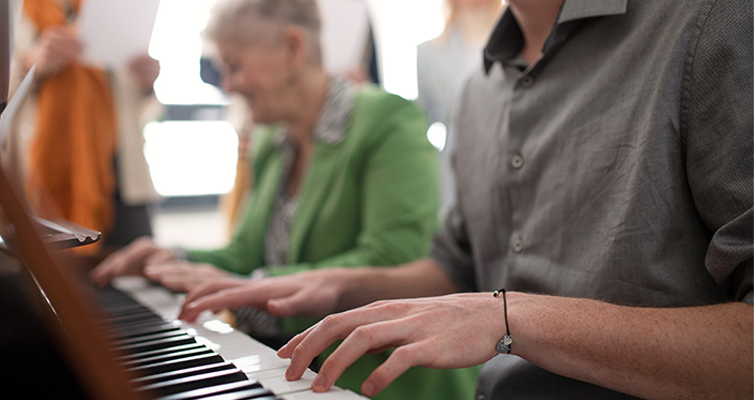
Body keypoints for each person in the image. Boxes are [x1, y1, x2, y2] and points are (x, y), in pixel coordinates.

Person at [180, 0, 753, 398]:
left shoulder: (712, 24)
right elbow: (455, 264)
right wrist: (336, 284)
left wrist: (507, 317)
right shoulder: (480, 91)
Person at [90, 0, 481, 398]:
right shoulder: (271, 141)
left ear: (293, 48)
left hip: (378, 379)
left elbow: (392, 258)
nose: (228, 85)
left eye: (234, 66)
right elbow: (246, 254)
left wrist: (253, 288)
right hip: (295, 370)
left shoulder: (388, 120)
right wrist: (171, 259)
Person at [7, 0, 163, 256]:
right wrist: (30, 65)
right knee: (55, 282)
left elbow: (143, 112)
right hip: (43, 176)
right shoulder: (13, 10)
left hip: (120, 175)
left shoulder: (113, 10)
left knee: (136, 272)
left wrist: (147, 84)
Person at [416, 0, 502, 217]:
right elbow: (419, 126)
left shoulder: (518, 43)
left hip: (506, 169)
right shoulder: (429, 53)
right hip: (454, 179)